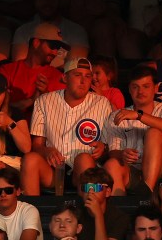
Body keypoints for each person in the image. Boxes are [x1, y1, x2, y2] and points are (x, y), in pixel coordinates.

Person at [21, 58, 112, 195]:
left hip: (85, 171)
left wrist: (103, 148)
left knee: (84, 158)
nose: (83, 81)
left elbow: (108, 146)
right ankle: (31, 213)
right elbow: (36, 145)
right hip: (53, 170)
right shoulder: (44, 101)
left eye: (88, 76)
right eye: (77, 75)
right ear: (64, 77)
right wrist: (47, 151)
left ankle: (90, 211)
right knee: (29, 159)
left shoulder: (102, 103)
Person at [103, 65, 162, 196]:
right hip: (133, 170)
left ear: (156, 88)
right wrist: (122, 154)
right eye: (135, 87)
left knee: (154, 133)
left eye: (146, 86)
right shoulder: (118, 115)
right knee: (112, 164)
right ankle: (119, 212)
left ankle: (147, 193)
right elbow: (112, 151)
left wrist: (139, 115)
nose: (140, 91)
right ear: (129, 89)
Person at [12, 0, 89, 69]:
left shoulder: (76, 31)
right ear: (35, 2)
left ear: (59, 1)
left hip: (61, 80)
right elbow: (20, 65)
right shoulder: (23, 31)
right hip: (30, 79)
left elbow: (74, 67)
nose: (47, 3)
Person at [0, 22, 66, 114]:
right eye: (52, 46)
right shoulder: (7, 70)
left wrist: (45, 95)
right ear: (36, 43)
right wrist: (32, 100)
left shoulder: (59, 77)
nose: (55, 53)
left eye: (58, 48)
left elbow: (60, 115)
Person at [77, 167, 129, 240]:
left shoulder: (119, 218)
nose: (90, 191)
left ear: (107, 192)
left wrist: (98, 215)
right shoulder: (75, 215)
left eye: (97, 187)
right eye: (86, 187)